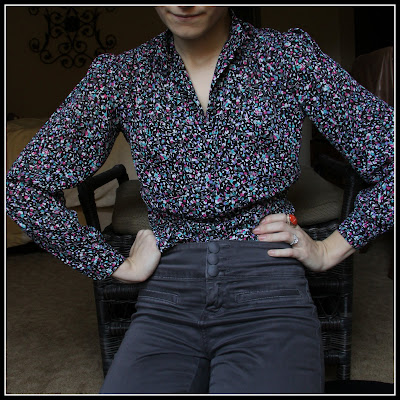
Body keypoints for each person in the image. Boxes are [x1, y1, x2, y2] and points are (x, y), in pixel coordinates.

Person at [6, 6, 393, 394]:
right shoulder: (120, 76)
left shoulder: (287, 57)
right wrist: (112, 264)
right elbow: (24, 188)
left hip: (266, 282)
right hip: (168, 290)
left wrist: (330, 249)